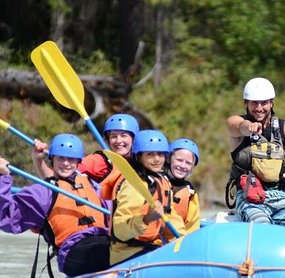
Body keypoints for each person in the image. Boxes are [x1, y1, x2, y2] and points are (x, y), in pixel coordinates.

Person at [0, 134, 111, 278]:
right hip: (73, 251)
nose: (65, 163)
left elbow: (115, 214)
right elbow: (4, 217)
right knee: (105, 250)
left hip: (101, 242)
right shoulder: (42, 193)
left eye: (71, 159)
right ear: (52, 160)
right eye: (60, 158)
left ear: (78, 162)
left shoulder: (92, 186)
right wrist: (3, 177)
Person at [225, 77, 285, 235]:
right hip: (250, 198)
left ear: (271, 103)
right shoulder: (237, 123)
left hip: (282, 197)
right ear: (246, 103)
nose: (259, 108)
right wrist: (249, 127)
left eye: (264, 103)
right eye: (254, 103)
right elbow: (236, 126)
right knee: (262, 228)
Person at [110, 129, 185, 265]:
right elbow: (120, 229)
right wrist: (146, 219)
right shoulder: (133, 185)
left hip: (152, 248)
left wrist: (185, 243)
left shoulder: (162, 182)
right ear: (139, 157)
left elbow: (171, 218)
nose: (157, 159)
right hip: (127, 253)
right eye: (150, 154)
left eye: (160, 154)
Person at [32, 113, 140, 183]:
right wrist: (38, 160)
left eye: (124, 135)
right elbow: (57, 178)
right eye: (113, 136)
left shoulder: (142, 161)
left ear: (133, 139)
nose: (118, 141)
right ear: (108, 140)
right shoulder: (99, 161)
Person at [167, 138, 201, 235]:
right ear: (169, 158)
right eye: (179, 160)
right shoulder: (158, 181)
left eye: (188, 163)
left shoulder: (190, 192)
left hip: (175, 240)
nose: (183, 166)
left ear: (192, 166)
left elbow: (192, 225)